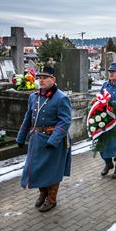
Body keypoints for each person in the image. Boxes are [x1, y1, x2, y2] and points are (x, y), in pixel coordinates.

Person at [16, 66, 72, 212]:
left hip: (54, 140)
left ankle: (51, 199)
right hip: (36, 139)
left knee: (52, 171)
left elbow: (65, 121)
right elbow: (28, 118)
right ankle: (43, 192)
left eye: (45, 78)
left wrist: (53, 140)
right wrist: (21, 137)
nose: (41, 80)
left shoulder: (61, 98)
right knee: (37, 169)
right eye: (39, 78)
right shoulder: (33, 97)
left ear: (53, 80)